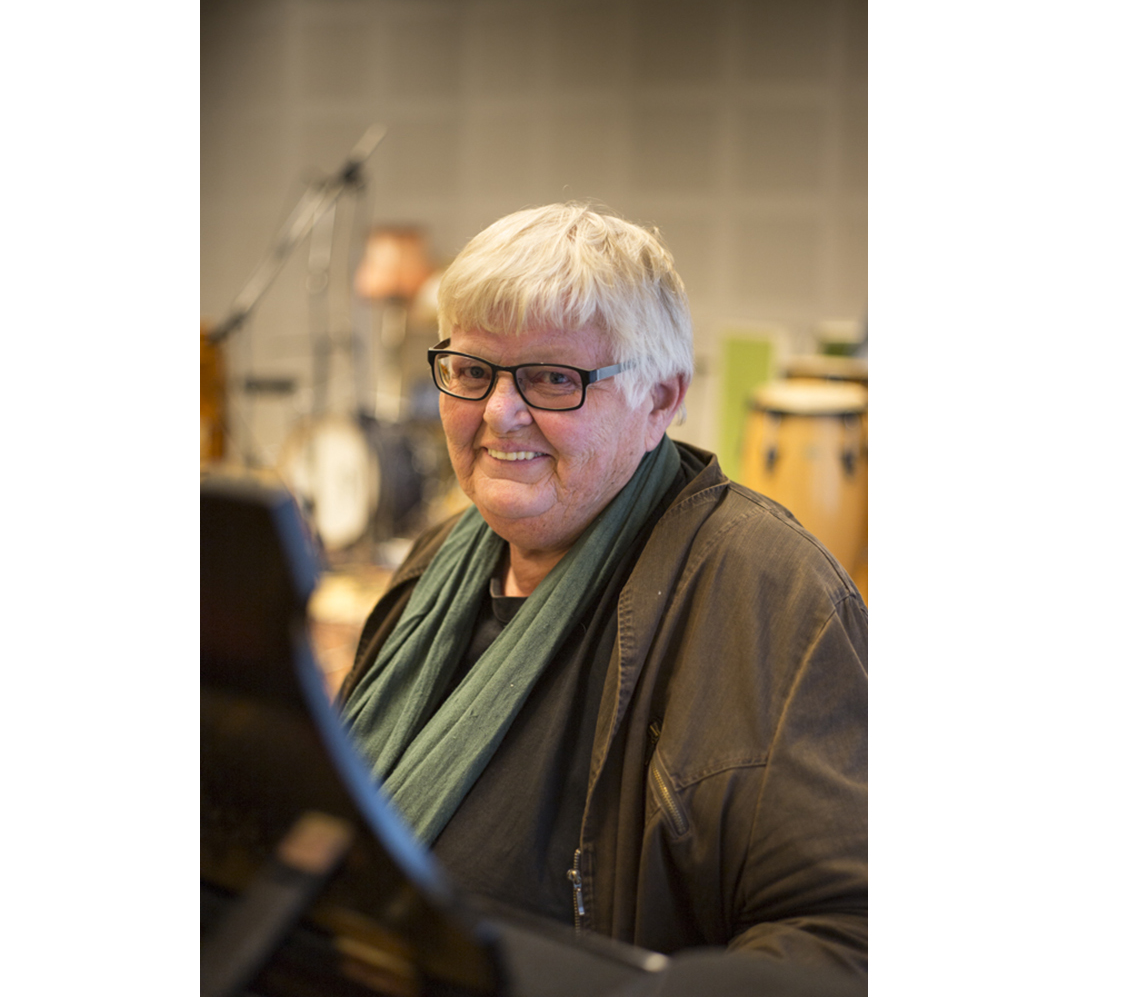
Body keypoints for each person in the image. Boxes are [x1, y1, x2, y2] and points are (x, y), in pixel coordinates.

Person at [337, 203, 867, 981]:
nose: (499, 414)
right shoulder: (437, 559)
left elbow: (849, 938)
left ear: (662, 400)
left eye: (554, 379)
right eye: (473, 372)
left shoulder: (772, 595)